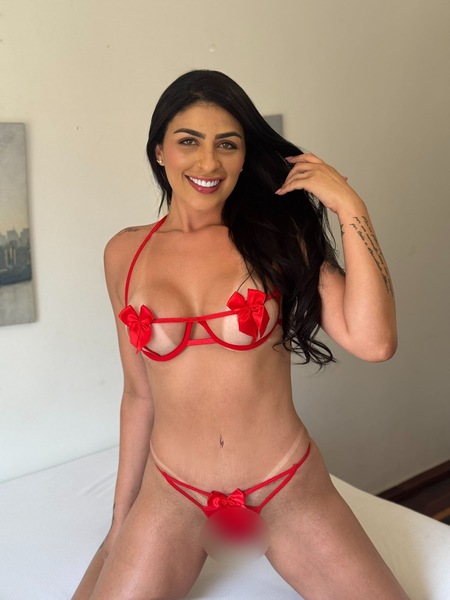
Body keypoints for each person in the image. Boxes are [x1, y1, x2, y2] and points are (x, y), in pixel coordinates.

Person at [72, 69, 408, 600]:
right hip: (173, 489)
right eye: (189, 142)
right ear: (160, 151)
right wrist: (120, 521)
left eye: (227, 144)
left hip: (284, 482)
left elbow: (375, 342)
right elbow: (139, 395)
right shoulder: (124, 252)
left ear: (245, 155)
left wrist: (351, 208)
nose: (208, 163)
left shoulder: (277, 238)